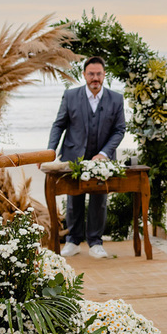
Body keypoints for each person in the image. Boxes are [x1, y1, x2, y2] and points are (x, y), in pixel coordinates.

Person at [47, 56, 126, 259]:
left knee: (99, 199)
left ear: (104, 75)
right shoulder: (70, 96)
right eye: (91, 74)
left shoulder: (116, 99)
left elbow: (119, 130)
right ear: (84, 75)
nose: (95, 78)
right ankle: (73, 241)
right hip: (74, 156)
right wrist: (50, 150)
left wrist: (104, 153)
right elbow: (59, 124)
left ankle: (96, 243)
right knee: (74, 198)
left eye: (99, 74)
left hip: (102, 159)